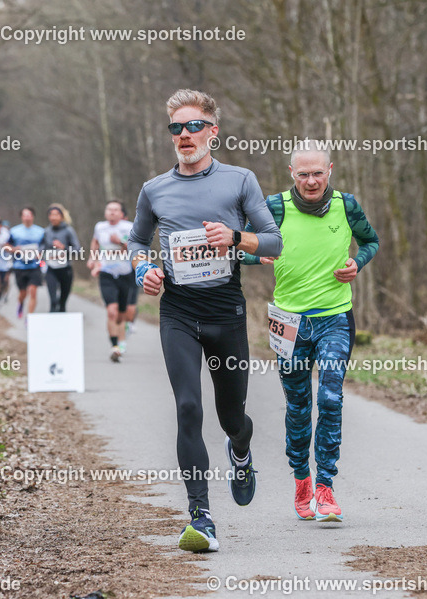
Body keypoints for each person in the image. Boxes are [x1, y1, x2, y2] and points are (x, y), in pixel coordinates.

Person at [129, 89, 283, 553]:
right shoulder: (154, 189)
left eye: (194, 126)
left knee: (230, 415)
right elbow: (136, 242)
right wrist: (143, 269)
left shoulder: (239, 180)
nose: (184, 136)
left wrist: (236, 237)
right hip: (177, 310)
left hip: (226, 311)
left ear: (213, 131)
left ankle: (241, 449)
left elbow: (274, 244)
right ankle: (201, 517)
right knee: (188, 408)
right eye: (176, 128)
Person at [244, 140, 379, 522]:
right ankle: (302, 478)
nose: (311, 180)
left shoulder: (346, 205)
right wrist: (258, 253)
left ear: (330, 169)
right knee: (299, 407)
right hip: (288, 323)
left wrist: (358, 262)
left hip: (335, 316)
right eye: (303, 174)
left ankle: (326, 488)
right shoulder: (274, 207)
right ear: (292, 174)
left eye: (317, 172)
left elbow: (372, 241)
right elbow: (241, 247)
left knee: (331, 398)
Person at [88, 199, 136, 362]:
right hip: (106, 273)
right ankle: (114, 346)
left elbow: (135, 248)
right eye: (109, 209)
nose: (112, 212)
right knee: (111, 311)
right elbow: (95, 242)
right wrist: (92, 259)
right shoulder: (100, 227)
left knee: (122, 313)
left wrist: (120, 242)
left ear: (122, 213)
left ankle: (122, 342)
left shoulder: (129, 227)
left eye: (115, 210)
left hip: (125, 273)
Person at [41, 204, 81, 312]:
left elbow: (77, 250)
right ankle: (51, 325)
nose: (53, 217)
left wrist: (63, 248)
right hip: (51, 269)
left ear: (62, 216)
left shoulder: (69, 230)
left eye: (56, 214)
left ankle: (62, 324)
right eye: (51, 215)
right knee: (53, 301)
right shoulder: (46, 232)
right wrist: (43, 255)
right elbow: (41, 249)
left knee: (62, 303)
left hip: (65, 269)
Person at [9, 207, 45, 319]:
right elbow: (6, 246)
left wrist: (40, 254)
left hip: (34, 266)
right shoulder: (14, 231)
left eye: (29, 215)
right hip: (19, 266)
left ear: (33, 216)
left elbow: (45, 247)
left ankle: (30, 317)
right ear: (21, 217)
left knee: (33, 291)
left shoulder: (41, 231)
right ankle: (20, 303)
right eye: (25, 215)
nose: (27, 217)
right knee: (23, 293)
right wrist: (15, 250)